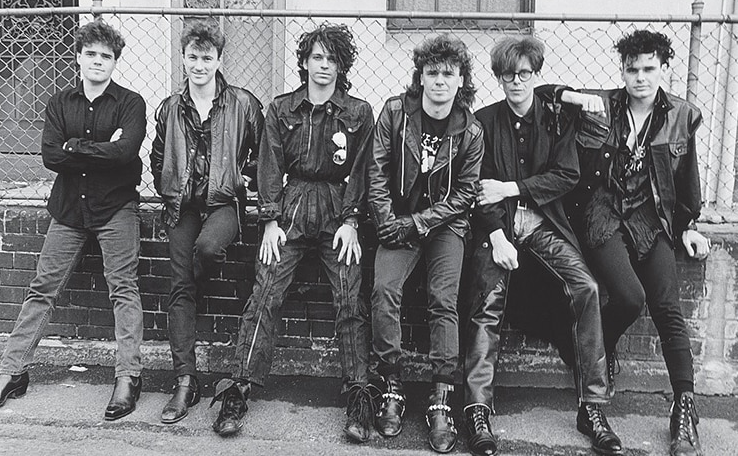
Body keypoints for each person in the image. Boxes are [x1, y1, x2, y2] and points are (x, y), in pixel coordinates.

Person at [0, 20, 147, 421]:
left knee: (123, 289)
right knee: (42, 289)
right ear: (79, 57)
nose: (98, 61)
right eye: (91, 54)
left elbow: (126, 153)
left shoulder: (130, 103)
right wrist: (99, 147)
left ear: (115, 61)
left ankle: (128, 378)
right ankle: (11, 374)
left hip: (115, 208)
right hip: (68, 210)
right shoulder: (59, 102)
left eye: (106, 56)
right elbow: (51, 155)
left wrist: (76, 147)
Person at [211, 23, 376, 443]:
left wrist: (353, 222)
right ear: (304, 62)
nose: (324, 66)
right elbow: (269, 165)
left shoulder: (358, 112)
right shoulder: (282, 108)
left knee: (349, 296)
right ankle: (239, 387)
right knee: (265, 291)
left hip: (338, 208)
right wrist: (269, 221)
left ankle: (358, 395)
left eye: (332, 59)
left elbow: (362, 170)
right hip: (293, 205)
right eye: (317, 57)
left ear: (342, 65)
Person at [462, 37, 622, 456]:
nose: (516, 82)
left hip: (541, 223)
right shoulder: (482, 122)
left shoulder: (554, 118)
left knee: (584, 286)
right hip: (494, 229)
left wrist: (513, 188)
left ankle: (593, 407)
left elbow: (565, 175)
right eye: (507, 75)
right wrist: (496, 234)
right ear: (498, 78)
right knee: (487, 298)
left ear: (535, 75)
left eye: (524, 74)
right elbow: (478, 191)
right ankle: (477, 409)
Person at [559, 30, 710, 456]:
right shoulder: (602, 106)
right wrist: (570, 97)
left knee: (666, 306)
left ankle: (684, 408)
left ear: (664, 68)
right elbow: (548, 98)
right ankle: (591, 369)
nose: (640, 77)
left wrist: (687, 226)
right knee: (628, 298)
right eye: (632, 69)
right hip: (604, 213)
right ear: (622, 71)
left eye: (648, 68)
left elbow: (686, 180)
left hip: (652, 217)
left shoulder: (682, 115)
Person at [368, 34, 484, 453]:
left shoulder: (470, 130)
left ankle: (441, 395)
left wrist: (416, 223)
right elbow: (376, 171)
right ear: (420, 77)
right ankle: (392, 384)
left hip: (444, 226)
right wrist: (386, 222)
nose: (439, 81)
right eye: (432, 73)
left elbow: (464, 195)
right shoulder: (396, 113)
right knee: (384, 290)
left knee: (443, 299)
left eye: (448, 74)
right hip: (396, 221)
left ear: (460, 80)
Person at [150, 21, 263, 424]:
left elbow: (260, 150)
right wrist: (168, 185)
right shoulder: (169, 107)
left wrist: (245, 175)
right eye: (193, 57)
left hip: (224, 203)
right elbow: (157, 155)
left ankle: (197, 279)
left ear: (219, 60)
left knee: (207, 248)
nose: (200, 64)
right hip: (181, 206)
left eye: (207, 57)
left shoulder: (242, 103)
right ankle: (185, 380)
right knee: (178, 287)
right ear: (183, 59)